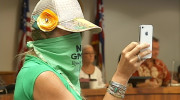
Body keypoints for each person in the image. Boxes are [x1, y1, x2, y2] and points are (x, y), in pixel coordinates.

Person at [14, 0, 151, 100]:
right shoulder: (43, 75)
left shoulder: (53, 71)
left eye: (79, 34)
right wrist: (121, 76)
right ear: (44, 34)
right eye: (69, 33)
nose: (77, 40)